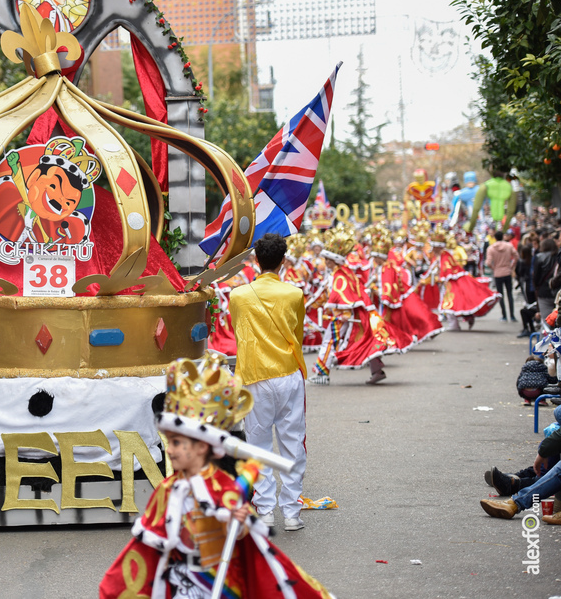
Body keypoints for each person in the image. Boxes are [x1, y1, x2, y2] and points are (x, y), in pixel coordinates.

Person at [99, 352, 332, 598]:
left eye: (178, 443)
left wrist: (240, 522)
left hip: (221, 582)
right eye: (170, 441)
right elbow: (147, 545)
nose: (170, 449)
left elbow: (245, 547)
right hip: (181, 581)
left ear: (202, 447)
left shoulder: (224, 487)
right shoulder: (169, 489)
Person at [228, 233, 308, 532]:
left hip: (254, 376)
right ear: (283, 260)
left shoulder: (238, 295)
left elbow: (237, 328)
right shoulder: (295, 294)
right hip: (288, 374)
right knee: (292, 443)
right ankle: (292, 512)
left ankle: (265, 510)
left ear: (255, 260)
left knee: (258, 445)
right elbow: (297, 331)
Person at [310, 226, 397, 385]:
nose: (325, 262)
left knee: (329, 341)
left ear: (334, 260)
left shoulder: (340, 275)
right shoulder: (342, 271)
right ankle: (377, 371)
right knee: (366, 339)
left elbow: (342, 297)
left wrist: (338, 313)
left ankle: (322, 373)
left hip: (343, 316)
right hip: (351, 315)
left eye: (328, 259)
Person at [486, 229, 519, 322]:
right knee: (509, 294)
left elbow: (488, 262)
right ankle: (512, 316)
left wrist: (494, 268)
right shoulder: (509, 246)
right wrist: (512, 266)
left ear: (495, 238)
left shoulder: (491, 248)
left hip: (497, 273)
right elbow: (516, 256)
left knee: (501, 295)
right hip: (507, 272)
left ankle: (504, 316)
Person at [533, 237, 558, 324]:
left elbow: (536, 277)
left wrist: (536, 286)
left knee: (546, 321)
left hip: (544, 292)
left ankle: (546, 336)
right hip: (557, 291)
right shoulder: (558, 256)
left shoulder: (540, 257)